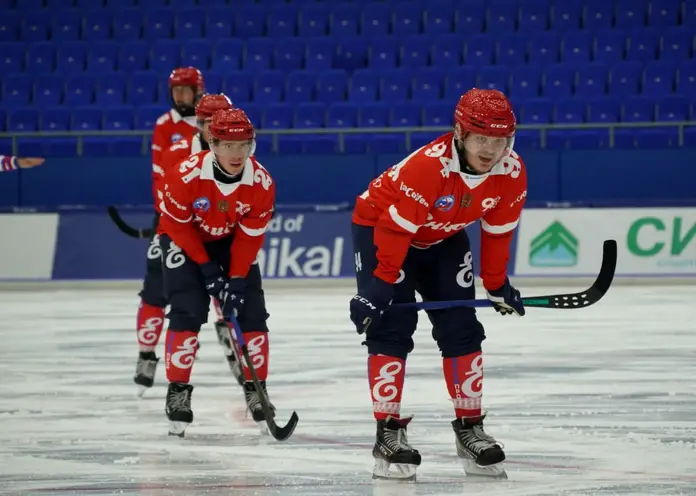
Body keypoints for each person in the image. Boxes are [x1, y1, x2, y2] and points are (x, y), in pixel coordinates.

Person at [349, 88, 528, 481]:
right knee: (391, 326)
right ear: (460, 133)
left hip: (442, 238)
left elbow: (497, 234)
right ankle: (388, 432)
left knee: (461, 326)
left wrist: (497, 284)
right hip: (383, 228)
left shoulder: (512, 173)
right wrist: (379, 287)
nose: (491, 150)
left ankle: (470, 429)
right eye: (482, 138)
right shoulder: (428, 168)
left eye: (500, 141)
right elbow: (396, 231)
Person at [157, 108, 276, 437]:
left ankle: (257, 389)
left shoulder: (262, 183)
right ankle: (177, 391)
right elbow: (176, 227)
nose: (237, 154)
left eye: (244, 146)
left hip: (229, 241)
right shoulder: (184, 175)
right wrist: (206, 267)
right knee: (188, 309)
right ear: (212, 142)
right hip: (185, 239)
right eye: (228, 145)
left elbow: (250, 238)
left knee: (252, 312)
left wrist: (237, 279)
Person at [132, 67, 205, 396]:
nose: (179, 95)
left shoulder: (210, 120)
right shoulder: (164, 126)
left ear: (197, 90)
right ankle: (146, 355)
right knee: (155, 290)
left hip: (205, 222)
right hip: (171, 220)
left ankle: (237, 356)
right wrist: (171, 216)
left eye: (185, 89)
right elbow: (159, 177)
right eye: (175, 89)